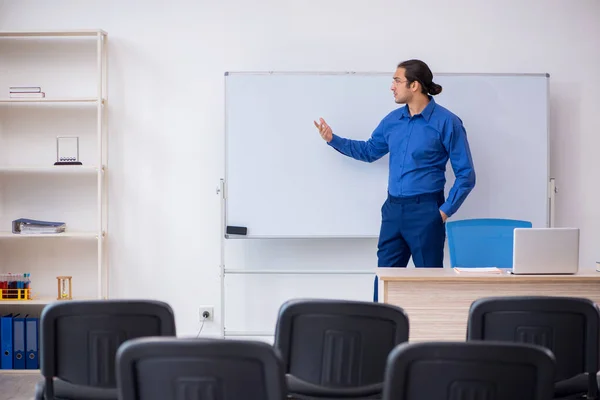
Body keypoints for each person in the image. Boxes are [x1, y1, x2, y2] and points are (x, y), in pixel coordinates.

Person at [314, 59, 476, 301]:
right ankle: (383, 336)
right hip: (393, 211)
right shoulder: (392, 121)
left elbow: (466, 175)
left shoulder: (447, 122)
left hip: (426, 211)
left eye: (397, 81)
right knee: (384, 284)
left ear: (415, 85)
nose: (392, 87)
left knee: (429, 287)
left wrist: (443, 212)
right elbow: (369, 151)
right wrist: (332, 139)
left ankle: (429, 336)